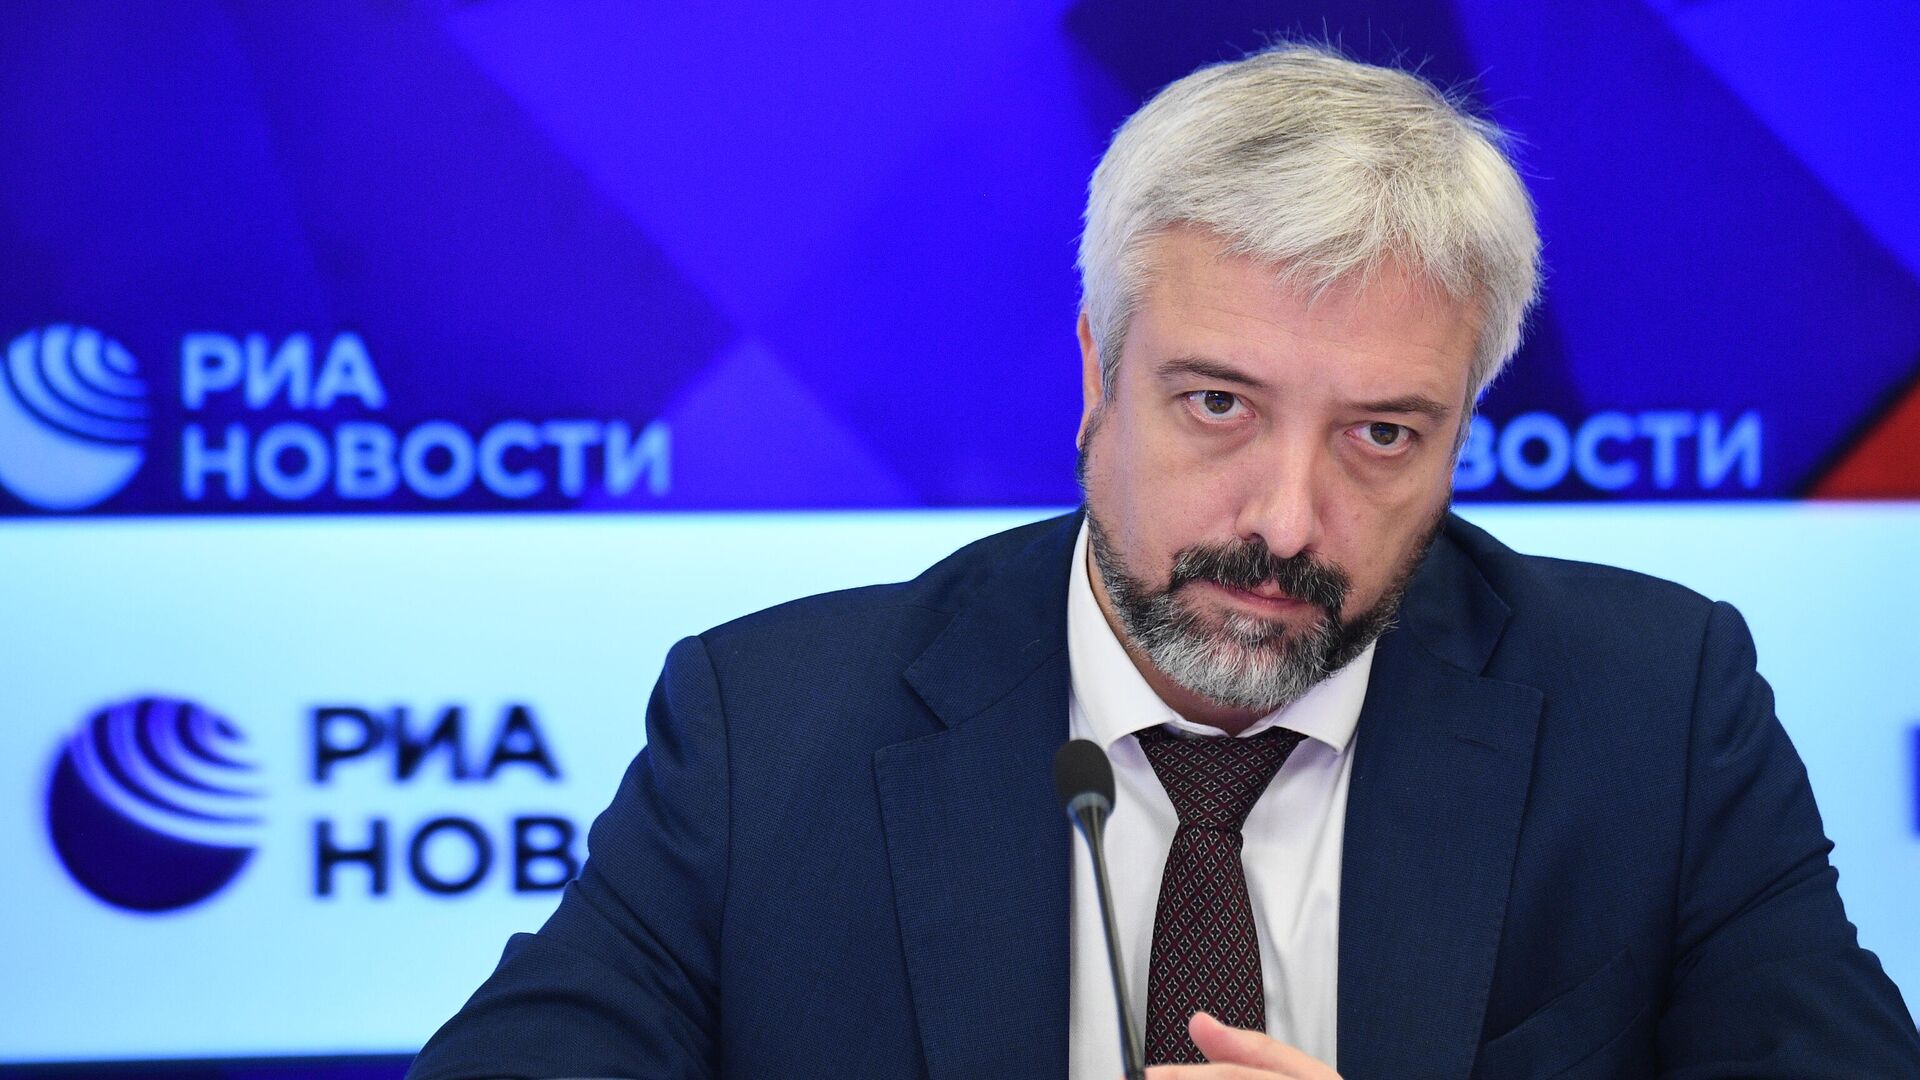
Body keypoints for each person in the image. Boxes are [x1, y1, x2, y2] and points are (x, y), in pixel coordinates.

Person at [407, 44, 1920, 1080]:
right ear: (1096, 374)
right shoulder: (773, 726)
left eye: (1381, 434)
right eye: (1217, 404)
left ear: (1464, 430)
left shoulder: (1655, 713)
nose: (1285, 521)